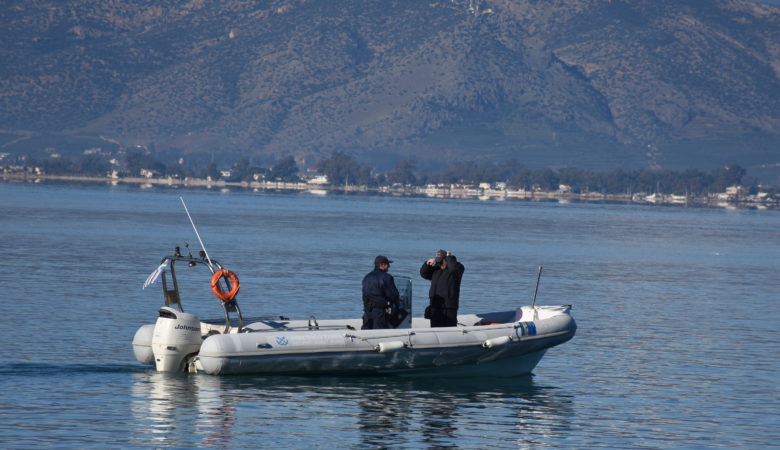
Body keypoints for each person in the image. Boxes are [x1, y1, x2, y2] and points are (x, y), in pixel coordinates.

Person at [420, 249, 465, 327]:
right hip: (435, 305)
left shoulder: (457, 269)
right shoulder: (436, 270)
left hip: (449, 307)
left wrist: (449, 257)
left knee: (448, 329)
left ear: (446, 259)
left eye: (441, 261)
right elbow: (424, 274)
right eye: (438, 261)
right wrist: (427, 264)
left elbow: (453, 268)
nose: (439, 263)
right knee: (434, 328)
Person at [362, 255, 401, 330]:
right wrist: (398, 302)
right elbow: (393, 295)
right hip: (379, 311)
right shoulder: (387, 277)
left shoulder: (366, 277)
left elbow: (366, 293)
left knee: (366, 330)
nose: (389, 267)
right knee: (379, 332)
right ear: (382, 265)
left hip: (367, 310)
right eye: (387, 264)